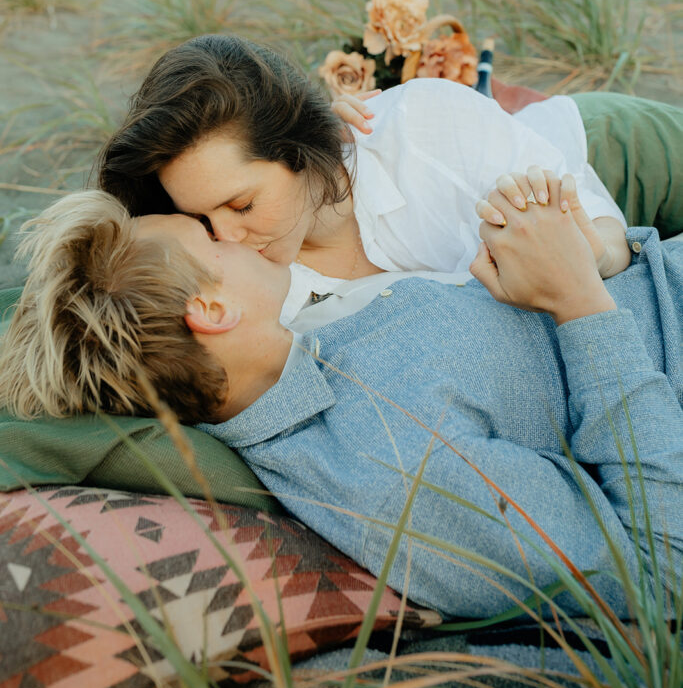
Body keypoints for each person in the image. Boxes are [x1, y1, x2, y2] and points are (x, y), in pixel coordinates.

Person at [1, 183, 681, 620]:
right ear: (211, 309)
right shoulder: (388, 467)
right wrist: (578, 302)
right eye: (211, 237)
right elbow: (659, 573)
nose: (234, 233)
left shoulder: (308, 339)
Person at [97, 35, 641, 326]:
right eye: (202, 218)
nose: (227, 236)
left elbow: (608, 234)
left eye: (240, 205)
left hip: (605, 144)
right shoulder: (244, 285)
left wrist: (582, 264)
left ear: (303, 148)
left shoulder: (423, 125)